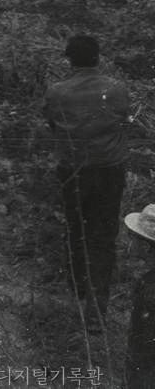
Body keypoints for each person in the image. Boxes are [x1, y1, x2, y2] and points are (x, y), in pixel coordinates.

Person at [43, 34, 130, 332]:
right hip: (108, 171)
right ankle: (96, 312)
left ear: (69, 59)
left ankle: (78, 290)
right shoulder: (116, 89)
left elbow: (52, 124)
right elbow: (123, 118)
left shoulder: (56, 92)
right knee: (103, 238)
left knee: (76, 227)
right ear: (98, 58)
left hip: (73, 170)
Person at [124, 204, 155, 385]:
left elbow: (140, 351)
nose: (130, 244)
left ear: (146, 246)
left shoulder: (149, 288)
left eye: (134, 238)